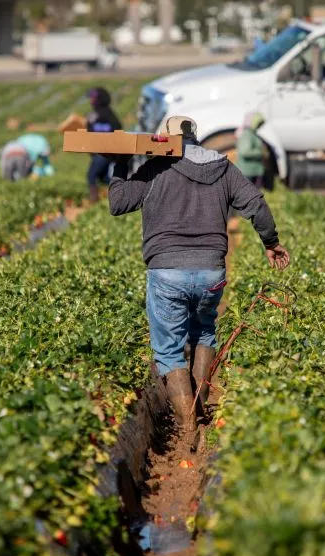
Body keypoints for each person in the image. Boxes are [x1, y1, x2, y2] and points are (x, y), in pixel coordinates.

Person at [108, 116, 290, 435]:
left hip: (167, 272)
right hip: (211, 273)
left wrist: (120, 162)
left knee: (168, 349)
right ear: (195, 137)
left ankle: (188, 423)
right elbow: (256, 204)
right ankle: (200, 408)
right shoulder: (222, 167)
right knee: (204, 331)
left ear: (165, 140)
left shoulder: (156, 169)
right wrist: (271, 242)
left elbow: (118, 202)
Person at [85, 87, 122, 203]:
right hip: (100, 151)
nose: (91, 101)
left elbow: (116, 129)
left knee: (91, 176)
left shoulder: (104, 114)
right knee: (103, 177)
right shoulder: (95, 114)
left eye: (93, 98)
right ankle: (118, 192)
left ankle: (94, 200)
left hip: (103, 151)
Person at [235, 112, 266, 189]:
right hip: (247, 173)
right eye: (258, 123)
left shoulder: (252, 134)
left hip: (253, 171)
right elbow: (245, 152)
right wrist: (261, 152)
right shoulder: (247, 134)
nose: (259, 126)